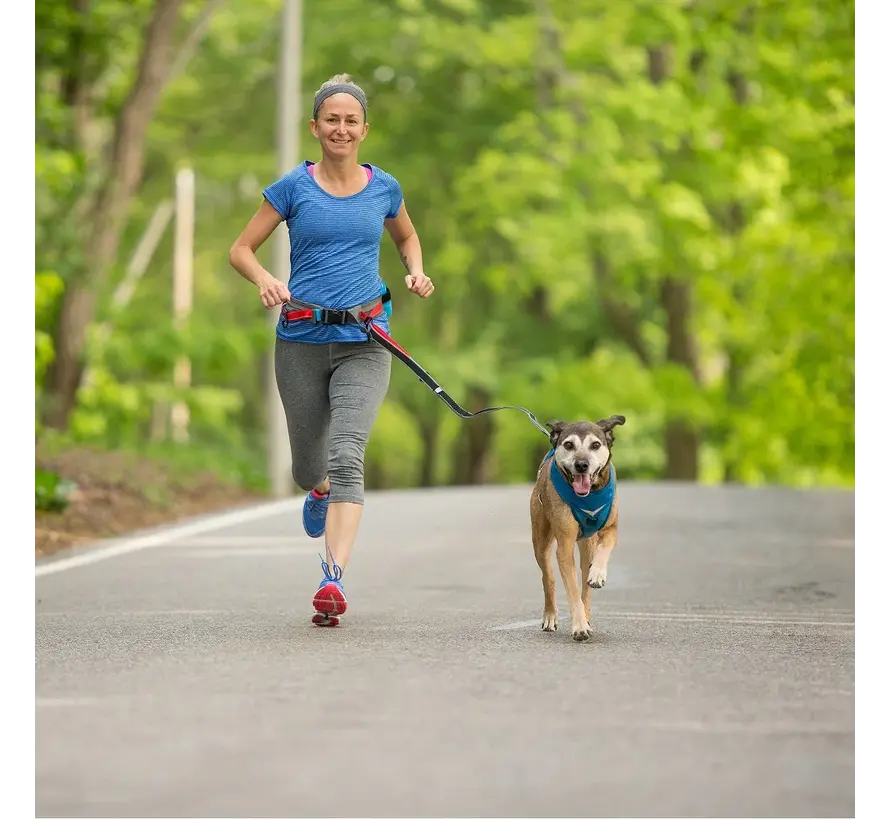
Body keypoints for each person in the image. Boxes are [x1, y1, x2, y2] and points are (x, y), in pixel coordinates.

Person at [228, 73, 434, 627]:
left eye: (351, 121)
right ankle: (316, 489)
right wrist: (265, 280)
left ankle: (332, 578)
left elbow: (407, 236)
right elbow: (241, 248)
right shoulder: (293, 188)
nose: (341, 129)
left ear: (365, 129)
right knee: (307, 467)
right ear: (315, 127)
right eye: (331, 120)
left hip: (366, 341)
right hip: (300, 340)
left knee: (348, 456)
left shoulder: (384, 187)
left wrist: (415, 271)